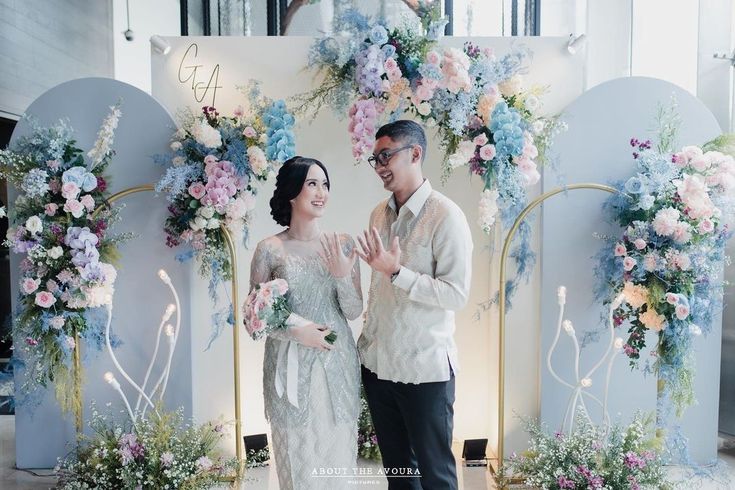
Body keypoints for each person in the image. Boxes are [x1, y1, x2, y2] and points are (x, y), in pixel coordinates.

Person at [356, 120, 473, 490]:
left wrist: (397, 273)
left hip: (424, 370)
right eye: (375, 159)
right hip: (379, 367)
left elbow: (456, 294)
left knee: (435, 475)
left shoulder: (446, 216)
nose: (379, 167)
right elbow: (378, 291)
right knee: (400, 474)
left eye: (386, 156)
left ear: (416, 154)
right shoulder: (378, 214)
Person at [248, 156, 363, 489]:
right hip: (287, 366)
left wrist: (342, 276)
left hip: (336, 363)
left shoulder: (342, 244)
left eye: (325, 184)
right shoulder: (269, 250)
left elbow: (354, 310)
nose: (321, 192)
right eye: (312, 183)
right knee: (296, 457)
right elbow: (253, 316)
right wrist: (297, 332)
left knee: (336, 457)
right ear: (291, 191)